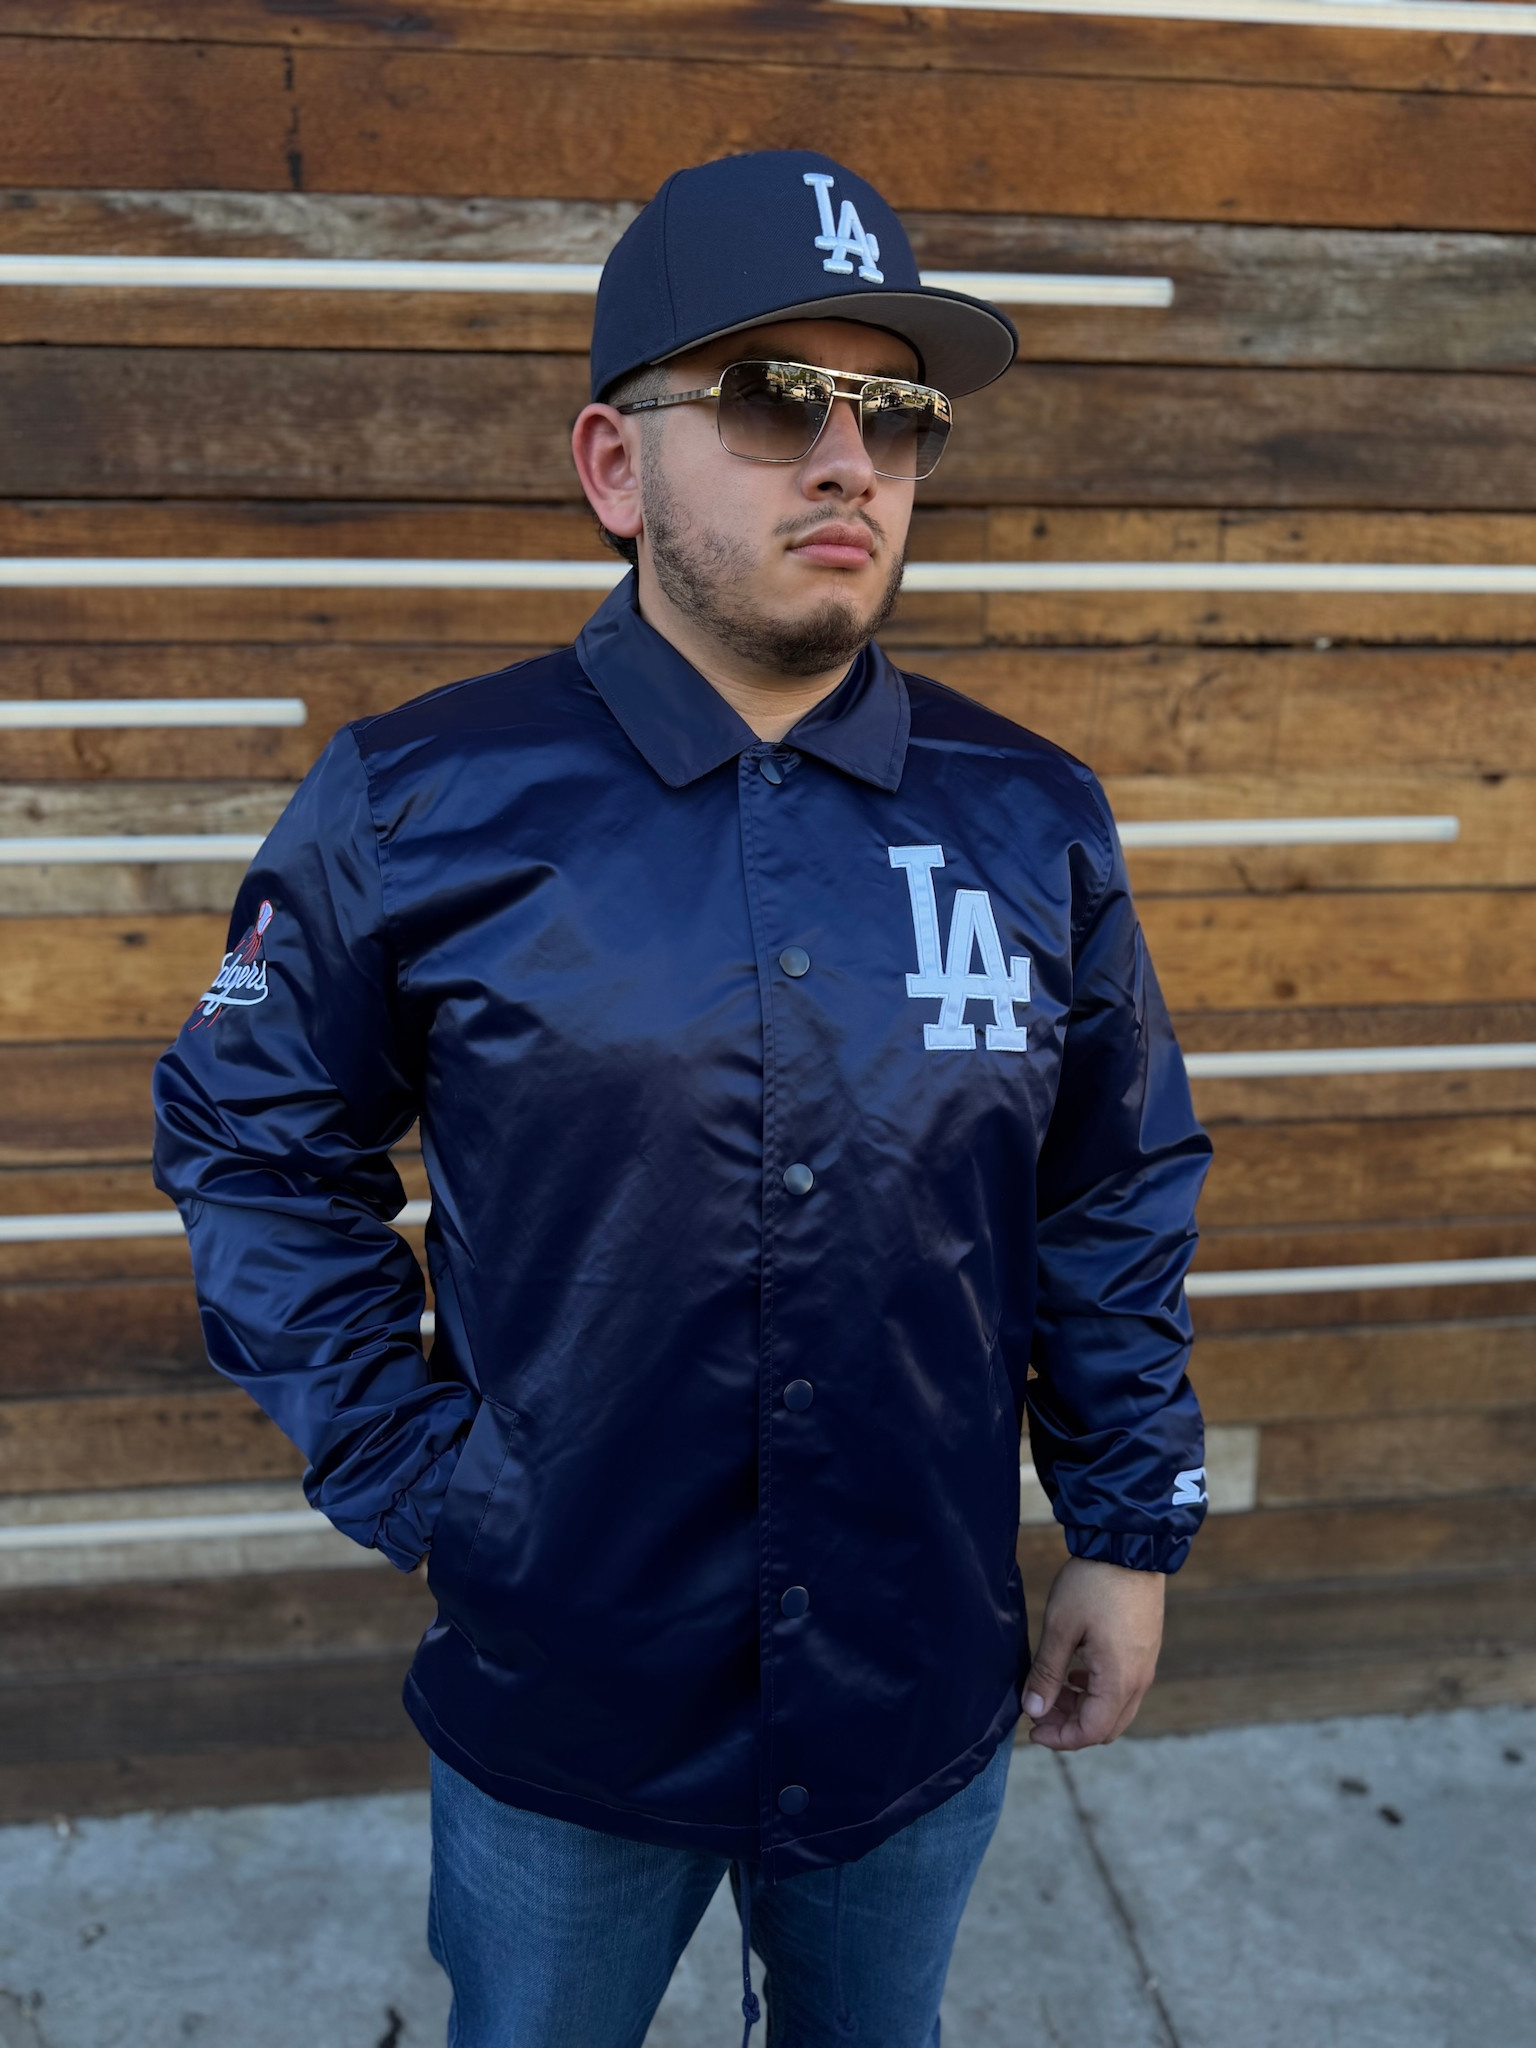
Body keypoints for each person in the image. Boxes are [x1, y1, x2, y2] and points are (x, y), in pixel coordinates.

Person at [153, 150, 1212, 2048]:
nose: (850, 461)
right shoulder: (419, 799)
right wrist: (426, 1481)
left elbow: (1107, 1187)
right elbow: (255, 1141)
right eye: (774, 398)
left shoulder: (1032, 816)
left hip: (913, 1676)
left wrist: (1126, 1531)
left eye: (896, 413)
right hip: (571, 1694)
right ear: (614, 465)